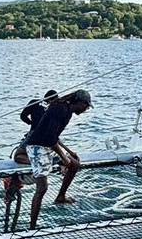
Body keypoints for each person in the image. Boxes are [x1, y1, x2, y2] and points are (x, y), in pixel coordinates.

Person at [24, 89, 93, 228]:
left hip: (48, 146)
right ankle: (32, 227)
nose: (86, 109)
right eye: (86, 106)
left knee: (75, 164)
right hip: (37, 147)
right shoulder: (60, 109)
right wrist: (63, 157)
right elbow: (50, 137)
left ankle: (60, 197)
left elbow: (54, 136)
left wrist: (69, 152)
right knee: (42, 188)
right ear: (79, 102)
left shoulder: (67, 111)